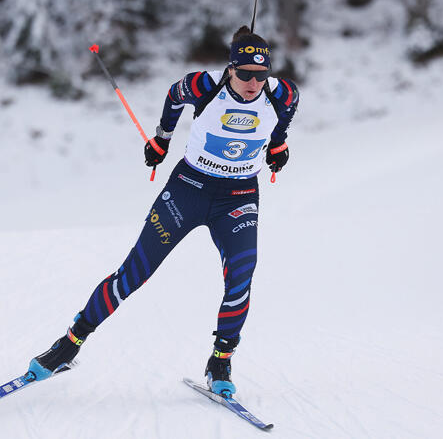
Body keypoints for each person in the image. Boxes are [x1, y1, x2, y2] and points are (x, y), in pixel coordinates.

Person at [28, 26, 299, 397]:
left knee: (241, 277)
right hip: (188, 189)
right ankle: (69, 343)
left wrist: (278, 145)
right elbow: (174, 95)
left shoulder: (281, 94)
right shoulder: (205, 87)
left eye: (261, 74)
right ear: (230, 69)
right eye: (245, 74)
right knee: (133, 274)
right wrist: (162, 138)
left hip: (238, 196)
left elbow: (286, 114)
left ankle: (221, 359)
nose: (254, 82)